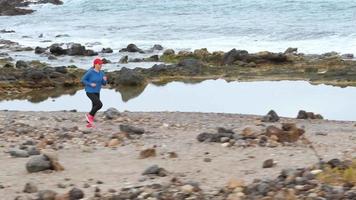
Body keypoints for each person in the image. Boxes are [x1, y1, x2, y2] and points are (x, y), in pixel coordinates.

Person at [81, 58, 107, 127]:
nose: (101, 65)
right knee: (99, 105)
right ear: (95, 64)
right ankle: (89, 115)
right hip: (90, 91)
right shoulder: (90, 72)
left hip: (97, 91)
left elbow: (104, 84)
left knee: (94, 107)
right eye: (100, 64)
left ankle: (90, 123)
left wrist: (105, 80)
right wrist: (90, 84)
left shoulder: (102, 73)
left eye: (101, 64)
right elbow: (83, 80)